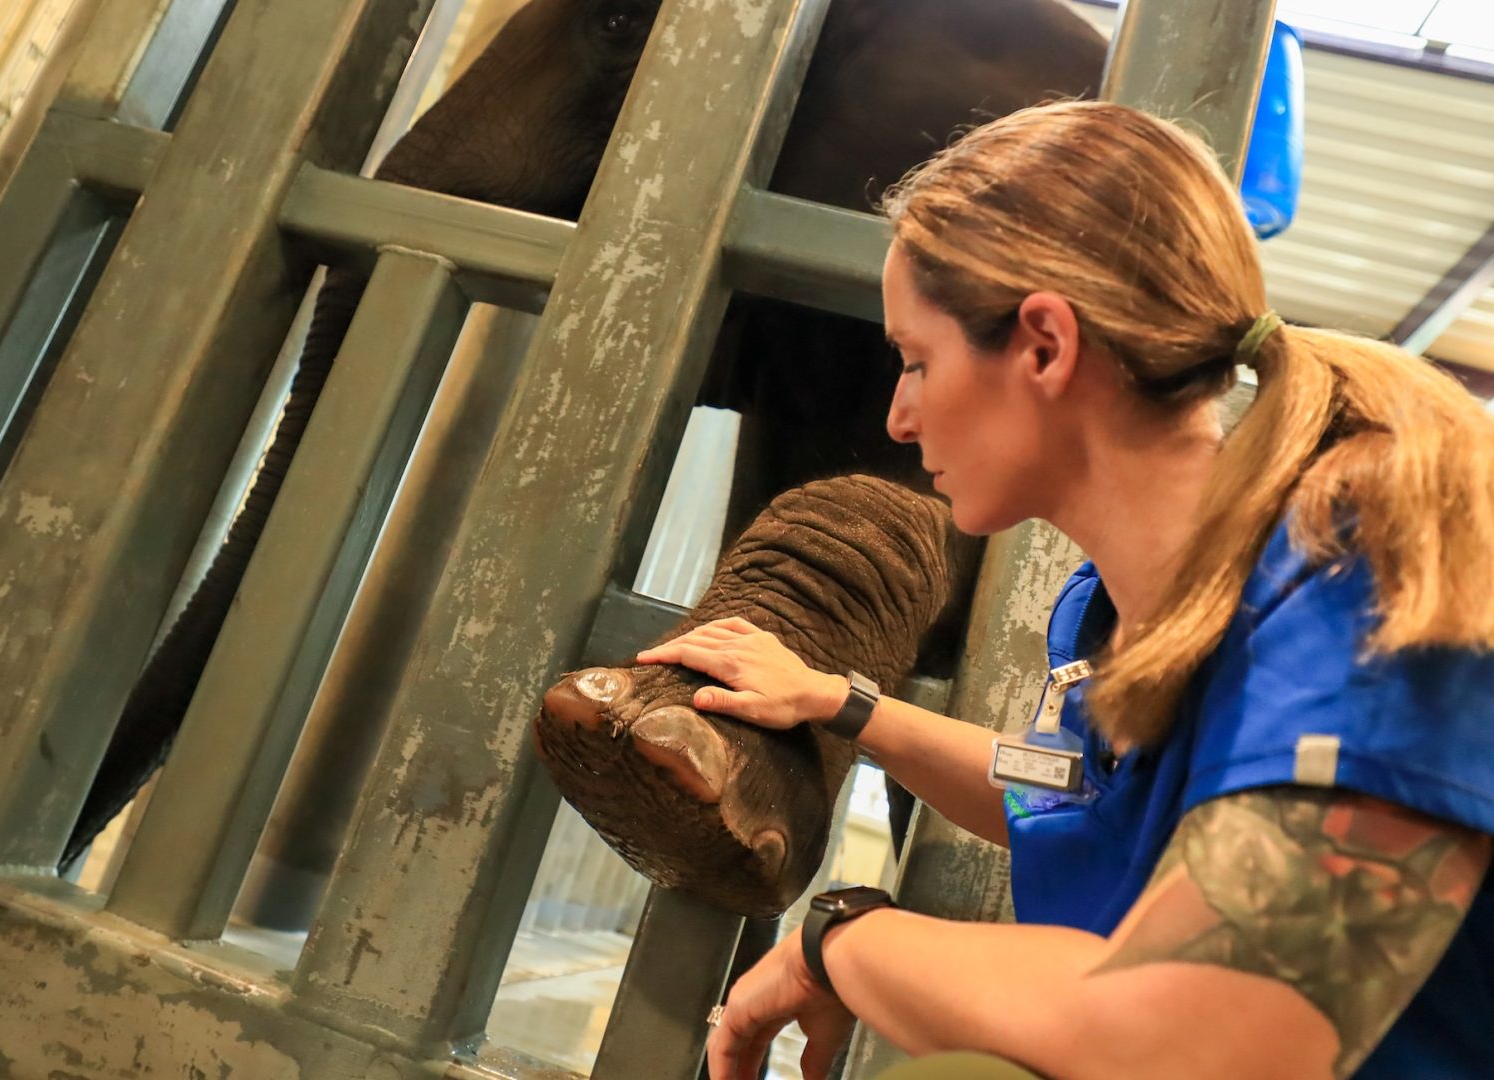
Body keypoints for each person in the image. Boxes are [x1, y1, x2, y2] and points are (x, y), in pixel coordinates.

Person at [635, 99, 1494, 1080]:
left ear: (1043, 344)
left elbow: (1190, 1045)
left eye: (918, 361)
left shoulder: (1364, 574)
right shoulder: (1116, 609)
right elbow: (1072, 794)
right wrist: (842, 703)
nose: (900, 416)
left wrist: (837, 942)